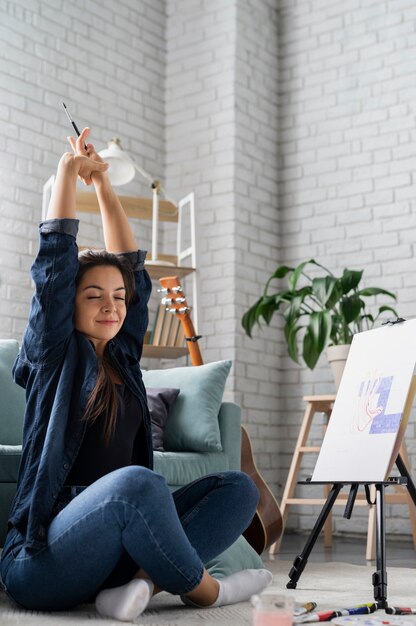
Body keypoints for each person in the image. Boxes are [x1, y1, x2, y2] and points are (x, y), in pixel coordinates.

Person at [0, 128, 272, 622]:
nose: (111, 305)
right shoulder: (53, 354)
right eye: (93, 296)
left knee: (238, 489)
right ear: (69, 306)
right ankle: (208, 591)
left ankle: (141, 584)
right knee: (138, 483)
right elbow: (54, 268)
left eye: (117, 297)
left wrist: (103, 184)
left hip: (112, 560)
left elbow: (131, 269)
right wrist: (67, 173)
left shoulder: (123, 359)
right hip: (40, 563)